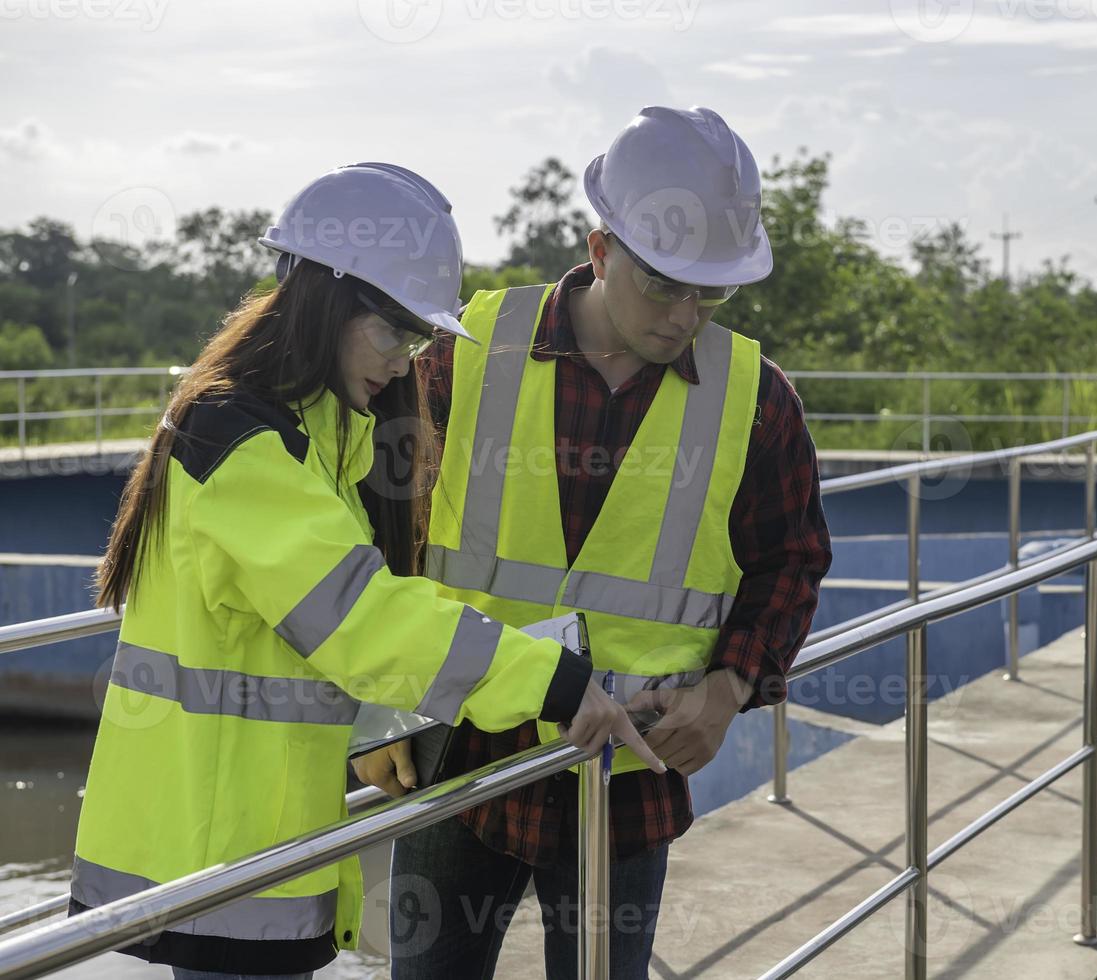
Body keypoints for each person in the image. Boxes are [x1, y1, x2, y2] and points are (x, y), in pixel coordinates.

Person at [68, 162, 662, 980]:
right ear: (326, 297)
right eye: (394, 331)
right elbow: (361, 618)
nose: (405, 360)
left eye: (419, 339)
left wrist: (384, 723)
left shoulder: (313, 425)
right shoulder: (238, 441)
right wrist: (556, 683)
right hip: (213, 849)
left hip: (260, 834)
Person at [361, 107, 832, 979]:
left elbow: (790, 561)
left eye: (712, 292)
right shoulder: (463, 354)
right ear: (602, 249)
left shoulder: (754, 398)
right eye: (664, 284)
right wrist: (376, 711)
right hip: (458, 748)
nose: (686, 315)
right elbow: (383, 539)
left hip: (627, 772)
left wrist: (731, 685)